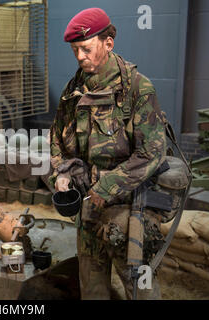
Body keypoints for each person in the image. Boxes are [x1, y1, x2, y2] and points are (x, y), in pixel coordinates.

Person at [49, 7, 166, 300]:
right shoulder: (73, 91)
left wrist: (107, 186)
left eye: (86, 48)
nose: (79, 56)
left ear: (108, 43)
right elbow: (56, 139)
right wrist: (62, 172)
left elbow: (152, 152)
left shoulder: (137, 89)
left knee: (141, 290)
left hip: (128, 212)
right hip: (87, 211)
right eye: (75, 50)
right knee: (93, 288)